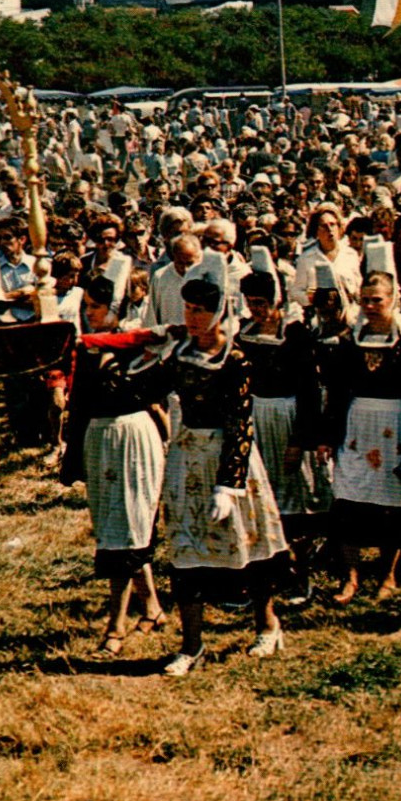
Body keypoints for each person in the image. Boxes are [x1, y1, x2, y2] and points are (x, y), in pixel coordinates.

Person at [134, 271, 289, 673]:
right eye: (188, 308)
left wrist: (229, 483)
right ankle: (192, 646)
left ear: (219, 313)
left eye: (201, 310)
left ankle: (267, 624)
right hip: (188, 457)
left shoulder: (234, 359)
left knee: (246, 545)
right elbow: (147, 386)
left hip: (227, 462)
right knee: (187, 551)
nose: (193, 317)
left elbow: (241, 422)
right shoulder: (181, 350)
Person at [59, 275, 169, 658]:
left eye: (96, 306)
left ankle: (115, 626)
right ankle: (152, 607)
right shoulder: (84, 351)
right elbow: (81, 405)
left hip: (132, 436)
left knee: (128, 528)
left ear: (115, 307)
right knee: (114, 527)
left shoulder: (138, 345)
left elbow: (153, 393)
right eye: (85, 306)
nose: (89, 313)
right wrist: (72, 453)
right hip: (99, 438)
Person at [321, 264, 401, 605]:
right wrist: (328, 435)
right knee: (348, 501)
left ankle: (388, 575)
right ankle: (350, 578)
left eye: (378, 300)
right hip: (357, 426)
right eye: (365, 300)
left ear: (393, 299)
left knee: (394, 504)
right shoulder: (348, 342)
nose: (371, 306)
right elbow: (336, 391)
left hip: (396, 425)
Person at [235, 254, 327, 606]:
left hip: (286, 420)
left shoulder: (294, 334)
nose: (255, 309)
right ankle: (261, 576)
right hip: (256, 419)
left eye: (261, 302)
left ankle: (299, 576)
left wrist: (299, 440)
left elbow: (308, 390)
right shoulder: (246, 333)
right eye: (250, 303)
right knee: (257, 501)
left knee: (292, 503)